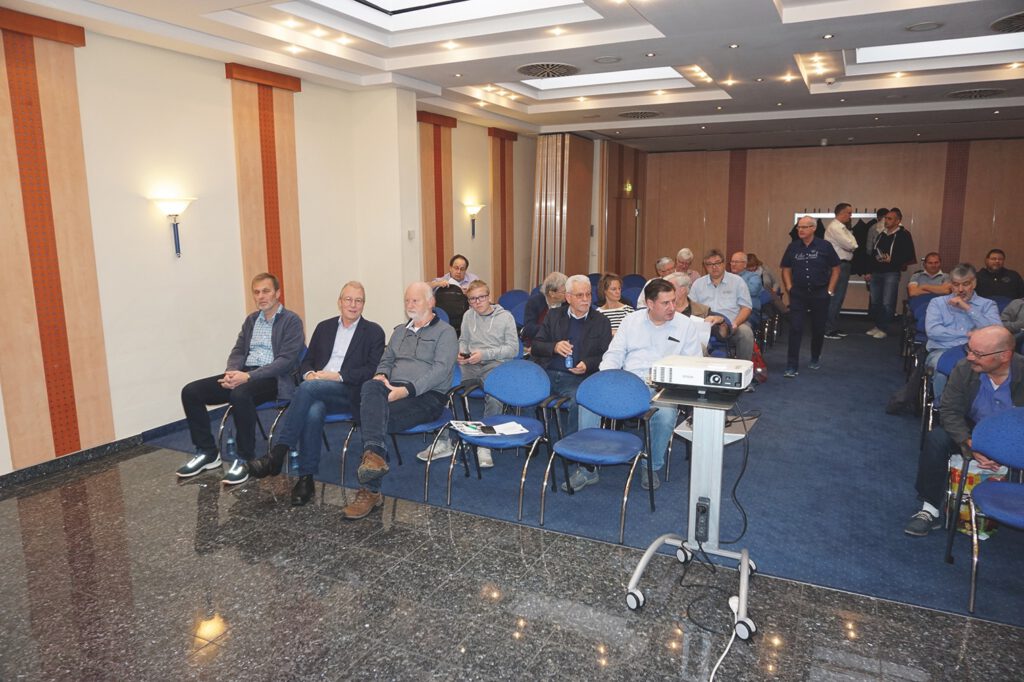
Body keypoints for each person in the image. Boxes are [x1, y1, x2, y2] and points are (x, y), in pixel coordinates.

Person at [247, 282, 385, 505]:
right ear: (339, 302)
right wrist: (310, 373)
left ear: (363, 304)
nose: (353, 305)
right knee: (313, 409)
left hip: (349, 392)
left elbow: (371, 370)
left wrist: (336, 376)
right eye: (348, 299)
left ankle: (278, 453)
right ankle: (306, 478)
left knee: (307, 389)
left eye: (358, 300)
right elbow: (307, 360)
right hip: (316, 390)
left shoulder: (374, 332)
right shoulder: (324, 327)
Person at [570, 279, 703, 492]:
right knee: (589, 402)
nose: (672, 307)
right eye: (665, 303)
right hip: (628, 383)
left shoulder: (685, 325)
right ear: (650, 303)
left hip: (661, 387)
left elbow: (693, 362)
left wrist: (674, 383)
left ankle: (650, 465)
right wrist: (606, 378)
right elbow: (615, 353)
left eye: (673, 301)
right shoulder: (631, 321)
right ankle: (588, 467)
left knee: (666, 414)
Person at [343, 283, 458, 520]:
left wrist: (406, 390)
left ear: (431, 302)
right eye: (407, 300)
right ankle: (374, 460)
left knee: (374, 417)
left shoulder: (445, 333)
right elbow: (386, 360)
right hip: (392, 389)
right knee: (370, 386)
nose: (409, 305)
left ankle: (370, 490)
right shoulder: (399, 332)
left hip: (427, 396)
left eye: (415, 300)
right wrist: (381, 375)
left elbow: (440, 371)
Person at [177, 273, 304, 485]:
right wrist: (231, 373)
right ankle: (207, 452)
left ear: (278, 293)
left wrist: (248, 376)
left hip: (274, 379)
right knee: (191, 392)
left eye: (266, 291)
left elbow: (286, 361)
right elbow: (238, 351)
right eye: (257, 292)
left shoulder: (291, 321)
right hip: (244, 374)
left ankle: (245, 458)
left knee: (240, 394)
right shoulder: (251, 320)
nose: (261, 296)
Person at [904, 326, 1024, 537]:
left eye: (978, 353)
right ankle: (929, 508)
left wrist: (1006, 451)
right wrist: (969, 443)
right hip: (973, 429)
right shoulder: (965, 368)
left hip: (1017, 438)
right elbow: (949, 411)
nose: (970, 357)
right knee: (937, 439)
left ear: (1004, 356)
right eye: (969, 350)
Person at [417, 279, 518, 468]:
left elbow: (513, 349)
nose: (477, 302)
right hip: (470, 364)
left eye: (481, 297)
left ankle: (484, 443)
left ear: (489, 296)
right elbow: (463, 340)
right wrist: (461, 352)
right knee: (443, 386)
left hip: (495, 364)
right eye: (472, 299)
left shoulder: (506, 317)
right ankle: (443, 440)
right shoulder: (468, 315)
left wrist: (484, 354)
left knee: (495, 395)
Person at [530, 274, 611, 437]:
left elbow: (606, 355)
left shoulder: (601, 321)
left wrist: (588, 364)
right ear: (568, 297)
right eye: (580, 295)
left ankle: (572, 443)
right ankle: (532, 437)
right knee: (524, 391)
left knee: (581, 400)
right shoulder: (554, 316)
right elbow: (536, 346)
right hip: (548, 373)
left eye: (588, 294)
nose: (585, 299)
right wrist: (554, 347)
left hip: (577, 379)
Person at [923, 264, 1000, 400]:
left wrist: (968, 308)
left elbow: (997, 334)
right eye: (955, 284)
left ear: (974, 283)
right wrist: (970, 335)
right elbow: (933, 332)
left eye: (965, 284)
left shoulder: (988, 305)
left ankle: (980, 408)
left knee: (993, 370)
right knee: (942, 369)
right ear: (950, 285)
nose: (960, 289)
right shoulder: (937, 303)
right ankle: (943, 407)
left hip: (978, 354)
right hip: (943, 351)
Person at [780, 216, 840, 377]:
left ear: (813, 228)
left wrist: (830, 290)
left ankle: (815, 356)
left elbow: (836, 269)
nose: (800, 230)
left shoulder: (825, 246)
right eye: (799, 227)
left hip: (820, 292)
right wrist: (789, 287)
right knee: (795, 328)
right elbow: (785, 268)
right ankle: (791, 365)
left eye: (804, 227)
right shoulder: (793, 247)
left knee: (818, 328)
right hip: (798, 293)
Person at [690, 249, 754, 360]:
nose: (714, 267)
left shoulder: (737, 281)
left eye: (717, 263)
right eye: (709, 264)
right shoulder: (698, 284)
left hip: (732, 325)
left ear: (724, 263)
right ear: (705, 266)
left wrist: (735, 323)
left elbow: (746, 308)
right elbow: (691, 307)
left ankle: (743, 367)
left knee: (746, 333)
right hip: (706, 327)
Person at [866, 208, 916, 338]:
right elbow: (873, 253)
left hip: (891, 273)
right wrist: (869, 270)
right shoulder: (881, 234)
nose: (886, 221)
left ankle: (883, 328)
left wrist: (892, 260)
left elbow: (909, 255)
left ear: (898, 221)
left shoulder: (904, 234)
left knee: (887, 302)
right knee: (875, 302)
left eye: (889, 219)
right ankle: (877, 325)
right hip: (876, 272)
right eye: (885, 218)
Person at [823, 202, 858, 339]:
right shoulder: (835, 227)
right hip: (837, 266)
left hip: (842, 265)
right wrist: (850, 247)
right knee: (834, 298)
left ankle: (832, 326)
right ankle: (828, 329)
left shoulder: (843, 228)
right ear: (842, 213)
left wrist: (851, 246)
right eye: (849, 213)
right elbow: (851, 245)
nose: (850, 216)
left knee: (838, 298)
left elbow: (854, 244)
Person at [522, 271, 566, 346]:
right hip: (538, 342)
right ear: (552, 293)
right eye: (564, 292)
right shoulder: (534, 302)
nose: (567, 294)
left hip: (562, 343)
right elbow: (529, 328)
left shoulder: (567, 303)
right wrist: (550, 331)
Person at [730, 251, 764, 322]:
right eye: (732, 262)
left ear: (745, 264)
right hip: (730, 310)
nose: (733, 264)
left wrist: (736, 283)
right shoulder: (727, 277)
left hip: (750, 312)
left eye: (736, 262)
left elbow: (753, 291)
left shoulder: (753, 277)